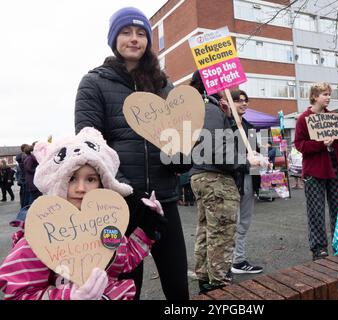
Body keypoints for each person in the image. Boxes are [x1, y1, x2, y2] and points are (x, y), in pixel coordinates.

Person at [74, 7, 189, 300]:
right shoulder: (94, 83)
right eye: (126, 32)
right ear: (114, 38)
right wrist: (127, 191)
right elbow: (91, 147)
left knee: (178, 288)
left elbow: (177, 137)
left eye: (141, 33)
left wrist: (181, 158)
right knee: (126, 290)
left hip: (164, 201)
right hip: (120, 207)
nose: (134, 39)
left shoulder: (164, 85)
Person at [0, 127, 164, 300]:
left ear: (103, 184)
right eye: (71, 178)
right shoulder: (37, 237)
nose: (81, 189)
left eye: (91, 179)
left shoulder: (106, 227)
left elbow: (124, 260)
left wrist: (147, 228)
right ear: (56, 182)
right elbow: (20, 293)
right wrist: (70, 296)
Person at [188, 71, 252, 293]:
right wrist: (246, 161)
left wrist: (229, 118)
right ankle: (220, 286)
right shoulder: (211, 108)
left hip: (201, 175)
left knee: (206, 231)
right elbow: (219, 151)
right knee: (221, 235)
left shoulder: (200, 106)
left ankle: (206, 282)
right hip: (216, 178)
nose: (228, 86)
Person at [294, 82, 338, 261]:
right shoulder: (303, 119)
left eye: (329, 94)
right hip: (315, 172)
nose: (328, 97)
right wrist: (321, 144)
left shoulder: (336, 118)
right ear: (314, 96)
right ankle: (319, 248)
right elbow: (300, 144)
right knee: (316, 211)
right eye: (324, 94)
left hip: (336, 171)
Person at [229, 89, 264, 275]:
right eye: (238, 100)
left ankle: (238, 259)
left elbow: (253, 153)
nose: (243, 103)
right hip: (232, 180)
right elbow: (227, 156)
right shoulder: (226, 125)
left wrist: (260, 160)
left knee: (244, 221)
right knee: (231, 222)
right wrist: (247, 160)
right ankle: (231, 259)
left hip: (249, 179)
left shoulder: (249, 127)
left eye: (245, 100)